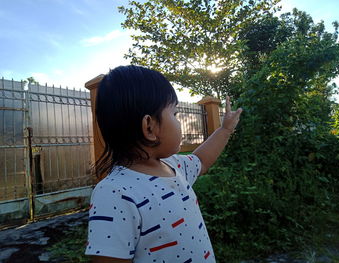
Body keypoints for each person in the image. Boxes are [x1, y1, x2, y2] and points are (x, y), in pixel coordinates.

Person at [85, 65, 242, 263]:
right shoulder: (115, 193)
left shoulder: (174, 166)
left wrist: (225, 130)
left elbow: (201, 160)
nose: (179, 122)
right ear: (149, 127)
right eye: (174, 114)